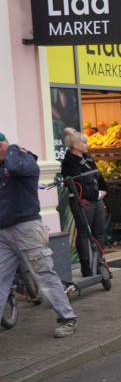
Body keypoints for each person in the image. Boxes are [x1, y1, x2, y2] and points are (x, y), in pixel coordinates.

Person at [0, 133, 78, 338]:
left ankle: (67, 319)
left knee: (43, 275)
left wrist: (12, 148)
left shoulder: (23, 161)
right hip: (3, 233)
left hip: (27, 229)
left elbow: (15, 167)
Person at [60, 129, 108, 276]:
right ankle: (86, 268)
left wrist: (104, 190)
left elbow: (97, 175)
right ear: (75, 145)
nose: (87, 145)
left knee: (99, 233)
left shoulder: (87, 157)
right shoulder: (69, 162)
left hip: (96, 199)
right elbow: (77, 184)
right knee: (83, 233)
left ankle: (100, 263)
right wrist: (96, 193)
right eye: (84, 142)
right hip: (82, 201)